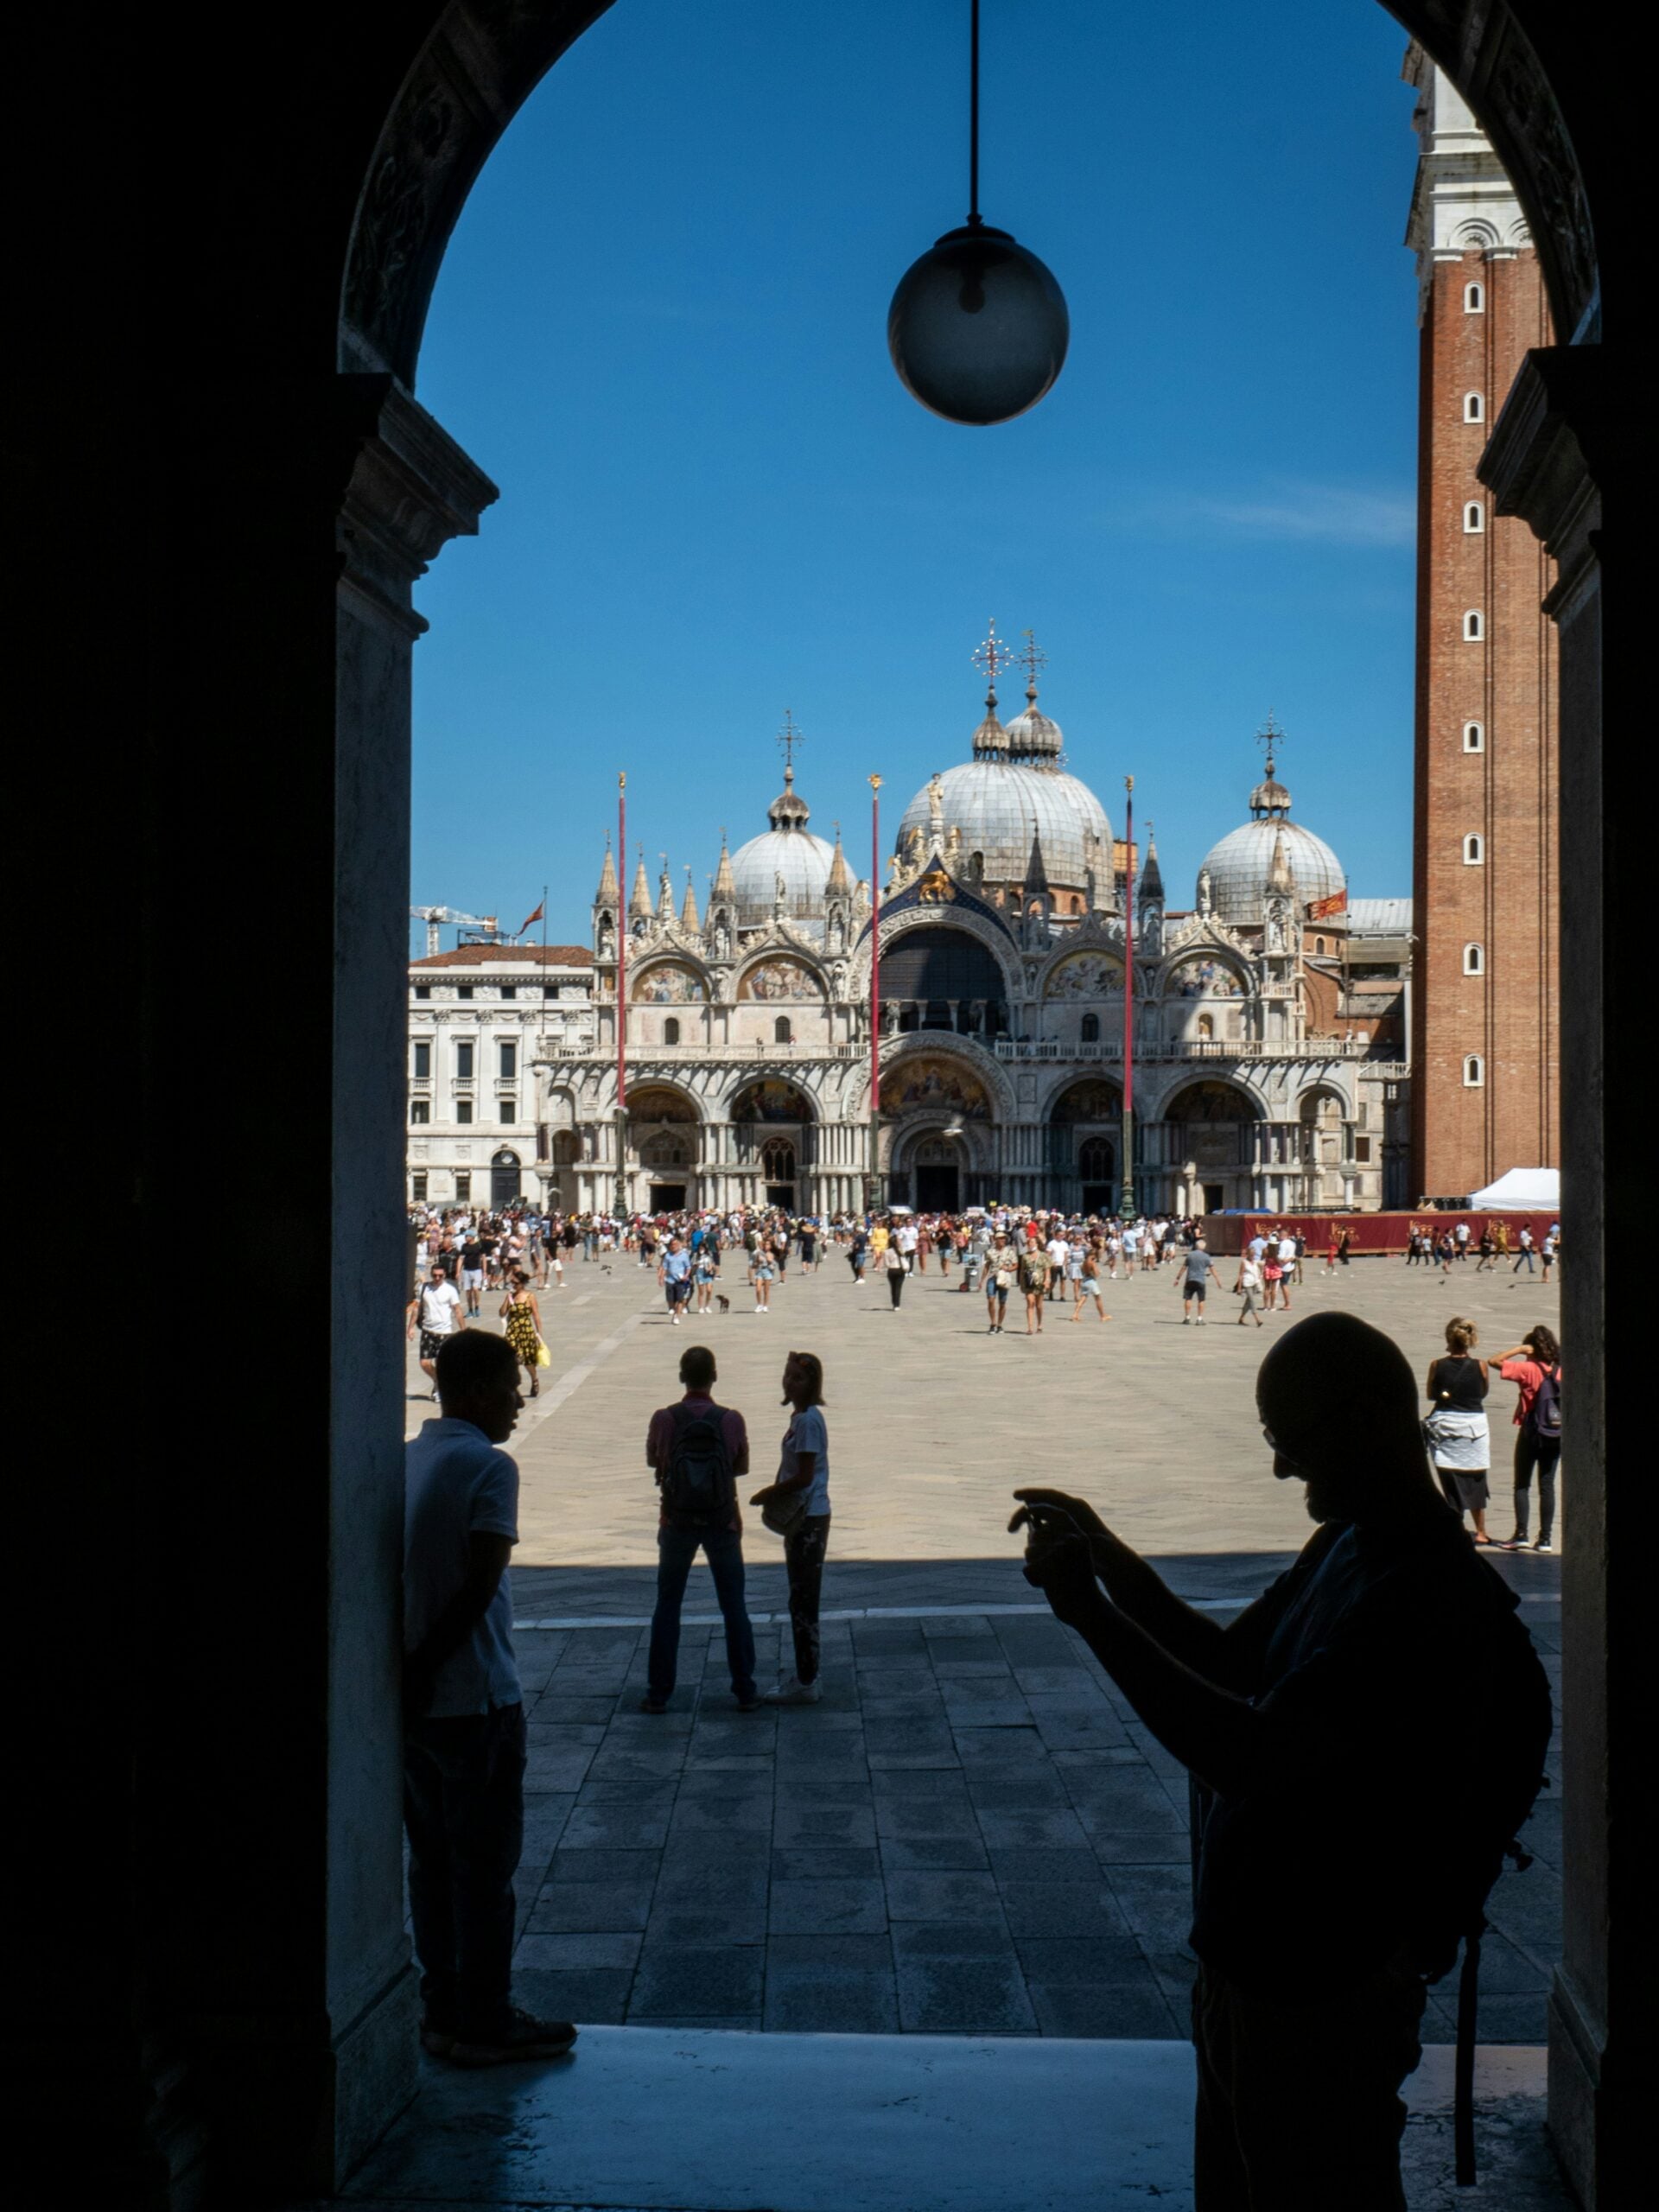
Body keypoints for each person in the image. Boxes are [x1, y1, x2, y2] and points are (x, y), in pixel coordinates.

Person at [1010, 1312, 1551, 2212]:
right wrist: (1108, 1555)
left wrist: (1092, 1618)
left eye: (1292, 1440)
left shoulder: (1421, 1598)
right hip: (1253, 1970)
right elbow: (1230, 1661)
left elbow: (1251, 1754)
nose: (1279, 1467)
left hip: (1322, 1986)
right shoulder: (1348, 1542)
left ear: (1369, 1423)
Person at [403, 1329, 576, 2066]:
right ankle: (487, 2017)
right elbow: (480, 1586)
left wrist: (406, 1675)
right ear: (475, 1392)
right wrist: (427, 1666)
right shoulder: (488, 1466)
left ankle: (441, 2009)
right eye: (511, 1386)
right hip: (475, 1698)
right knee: (486, 1868)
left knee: (430, 1863)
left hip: (419, 1711)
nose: (518, 1399)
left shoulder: (411, 1458)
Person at [642, 1344, 757, 1713]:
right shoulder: (730, 1418)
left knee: (668, 1605)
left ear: (681, 1377)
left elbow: (651, 1459)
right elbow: (740, 1467)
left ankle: (659, 1692)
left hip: (676, 1519)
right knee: (733, 1605)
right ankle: (745, 1688)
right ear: (714, 1377)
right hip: (722, 1518)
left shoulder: (665, 1417)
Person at [751, 1349, 831, 1704]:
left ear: (812, 1385)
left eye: (797, 1378)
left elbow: (804, 1475)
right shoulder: (800, 1418)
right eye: (787, 1375)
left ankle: (807, 1678)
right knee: (799, 1595)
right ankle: (805, 1672)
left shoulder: (809, 1421)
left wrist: (770, 1492)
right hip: (804, 1515)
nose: (789, 1382)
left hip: (809, 1516)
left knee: (803, 1598)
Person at [1424, 1317, 1495, 1543]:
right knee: (1476, 1479)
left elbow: (1430, 1394)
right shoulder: (1481, 1365)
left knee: (1451, 1478)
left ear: (1448, 1338)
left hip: (1446, 1426)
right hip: (1474, 1427)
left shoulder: (1437, 1364)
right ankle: (1481, 1531)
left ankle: (1455, 1527)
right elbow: (1483, 1392)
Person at [1494, 1325, 1563, 1553]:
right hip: (1555, 1433)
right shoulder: (1560, 1369)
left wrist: (1520, 1349)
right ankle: (1545, 1539)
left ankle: (1521, 1534)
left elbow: (1494, 1361)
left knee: (1522, 1484)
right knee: (1547, 1485)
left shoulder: (1528, 1368)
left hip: (1531, 1432)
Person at [408, 1262, 467, 1396]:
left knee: (441, 1364)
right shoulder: (424, 1288)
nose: (437, 1278)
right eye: (434, 1275)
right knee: (424, 1363)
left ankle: (440, 1389)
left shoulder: (450, 1290)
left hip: (444, 1332)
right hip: (428, 1330)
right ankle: (438, 1381)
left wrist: (463, 1330)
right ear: (431, 1275)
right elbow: (416, 1309)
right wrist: (410, 1328)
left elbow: (457, 1310)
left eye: (440, 1275)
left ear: (444, 1275)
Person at [498, 1268, 544, 1398]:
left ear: (522, 1283)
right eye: (512, 1282)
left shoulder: (530, 1296)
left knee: (528, 1359)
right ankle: (513, 1385)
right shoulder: (511, 1296)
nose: (513, 1285)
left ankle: (534, 1379)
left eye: (516, 1283)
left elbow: (536, 1316)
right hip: (513, 1330)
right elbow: (502, 1313)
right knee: (511, 1358)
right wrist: (507, 1299)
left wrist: (539, 1335)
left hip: (526, 1330)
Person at [1070, 1243, 1111, 1325]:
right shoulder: (1092, 1262)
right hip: (1091, 1281)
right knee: (1098, 1298)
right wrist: (1098, 1270)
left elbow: (1082, 1270)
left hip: (1084, 1280)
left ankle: (1075, 1314)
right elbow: (1096, 1274)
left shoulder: (1084, 1262)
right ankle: (1102, 1315)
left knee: (1083, 1298)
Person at [1180, 1238, 1220, 1325]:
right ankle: (1199, 1319)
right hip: (1200, 1280)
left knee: (1188, 1299)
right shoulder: (1206, 1256)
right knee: (1201, 1300)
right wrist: (1217, 1280)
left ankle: (1187, 1318)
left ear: (1196, 1246)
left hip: (1190, 1280)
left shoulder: (1190, 1255)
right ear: (1204, 1247)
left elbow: (1184, 1267)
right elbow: (1212, 1269)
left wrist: (1178, 1278)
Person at [658, 1235, 693, 1326]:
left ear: (679, 1245)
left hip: (680, 1281)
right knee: (671, 1300)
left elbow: (688, 1267)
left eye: (676, 1244)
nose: (674, 1246)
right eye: (672, 1245)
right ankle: (673, 1310)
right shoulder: (668, 1256)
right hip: (670, 1280)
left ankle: (677, 1316)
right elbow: (664, 1267)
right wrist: (661, 1278)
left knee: (680, 1300)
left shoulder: (684, 1255)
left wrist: (686, 1275)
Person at [1019, 1235, 1051, 1333]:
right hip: (1029, 1283)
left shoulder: (1043, 1255)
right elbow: (1022, 1270)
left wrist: (1047, 1280)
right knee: (1030, 1302)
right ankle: (1030, 1327)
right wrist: (1021, 1283)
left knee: (1039, 1305)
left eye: (1032, 1242)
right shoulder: (1025, 1256)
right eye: (1029, 1243)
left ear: (1037, 1243)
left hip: (1040, 1283)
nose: (1030, 1244)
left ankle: (1040, 1324)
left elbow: (1047, 1269)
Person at [987, 1232, 1016, 1334]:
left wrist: (1008, 1269)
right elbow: (987, 1265)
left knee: (1002, 1303)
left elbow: (1016, 1265)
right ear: (996, 1240)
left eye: (1004, 1238)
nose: (1003, 1240)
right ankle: (993, 1323)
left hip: (1004, 1278)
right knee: (991, 1300)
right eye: (1000, 1238)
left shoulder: (1010, 1252)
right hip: (992, 1277)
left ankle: (999, 1324)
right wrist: (981, 1280)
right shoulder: (990, 1252)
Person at [1234, 1249, 1264, 1328]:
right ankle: (1257, 1319)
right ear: (1247, 1254)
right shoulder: (1244, 1262)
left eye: (1253, 1254)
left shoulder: (1255, 1262)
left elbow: (1262, 1266)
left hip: (1254, 1283)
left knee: (1248, 1302)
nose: (1252, 1256)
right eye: (1251, 1254)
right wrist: (1239, 1288)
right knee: (1252, 1301)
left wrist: (1260, 1276)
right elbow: (1240, 1275)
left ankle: (1241, 1318)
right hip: (1247, 1284)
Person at [749, 1237, 776, 1313]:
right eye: (765, 1244)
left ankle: (765, 1306)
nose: (766, 1246)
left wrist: (768, 1260)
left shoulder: (771, 1254)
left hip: (768, 1272)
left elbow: (774, 1265)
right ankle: (759, 1305)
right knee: (758, 1289)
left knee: (766, 1290)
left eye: (768, 1245)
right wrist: (757, 1262)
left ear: (770, 1246)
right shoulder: (759, 1253)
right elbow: (753, 1264)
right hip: (759, 1271)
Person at [883, 1233, 907, 1310]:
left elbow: (886, 1264)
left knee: (893, 1288)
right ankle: (897, 1305)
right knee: (898, 1288)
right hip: (900, 1270)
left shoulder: (887, 1251)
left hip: (891, 1271)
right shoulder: (902, 1250)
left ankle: (894, 1304)